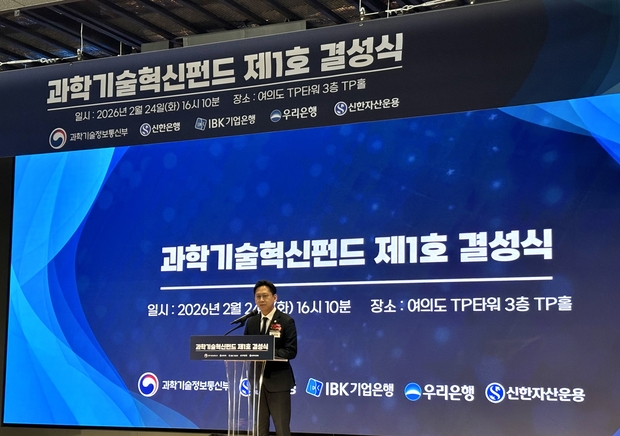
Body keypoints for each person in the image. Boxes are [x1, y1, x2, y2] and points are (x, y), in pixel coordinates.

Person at [244, 280, 297, 436]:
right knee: (259, 428)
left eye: (265, 296)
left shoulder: (286, 321)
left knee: (281, 428)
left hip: (278, 382)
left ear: (275, 298)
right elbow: (245, 347)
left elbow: (291, 351)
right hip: (257, 381)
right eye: (258, 296)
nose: (261, 300)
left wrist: (266, 352)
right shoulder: (251, 321)